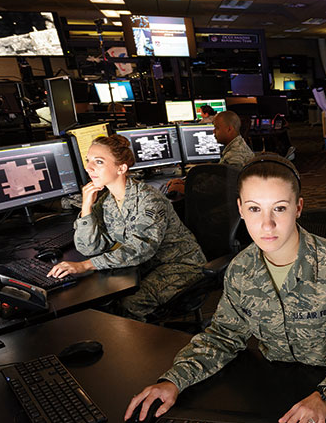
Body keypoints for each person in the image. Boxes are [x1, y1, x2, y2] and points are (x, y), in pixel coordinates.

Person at [124, 155, 326, 423]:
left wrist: (325, 394)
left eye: (280, 208)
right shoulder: (240, 270)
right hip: (275, 385)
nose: (267, 225)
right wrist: (174, 380)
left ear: (298, 208)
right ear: (240, 209)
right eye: (254, 209)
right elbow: (223, 336)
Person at [48, 135, 207, 321]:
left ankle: (144, 346)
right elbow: (88, 247)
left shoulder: (149, 200)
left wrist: (84, 265)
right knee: (104, 299)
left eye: (98, 162)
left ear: (121, 168)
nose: (88, 168)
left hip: (181, 266)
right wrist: (86, 208)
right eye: (88, 160)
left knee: (130, 303)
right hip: (147, 265)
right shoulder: (107, 201)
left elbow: (140, 249)